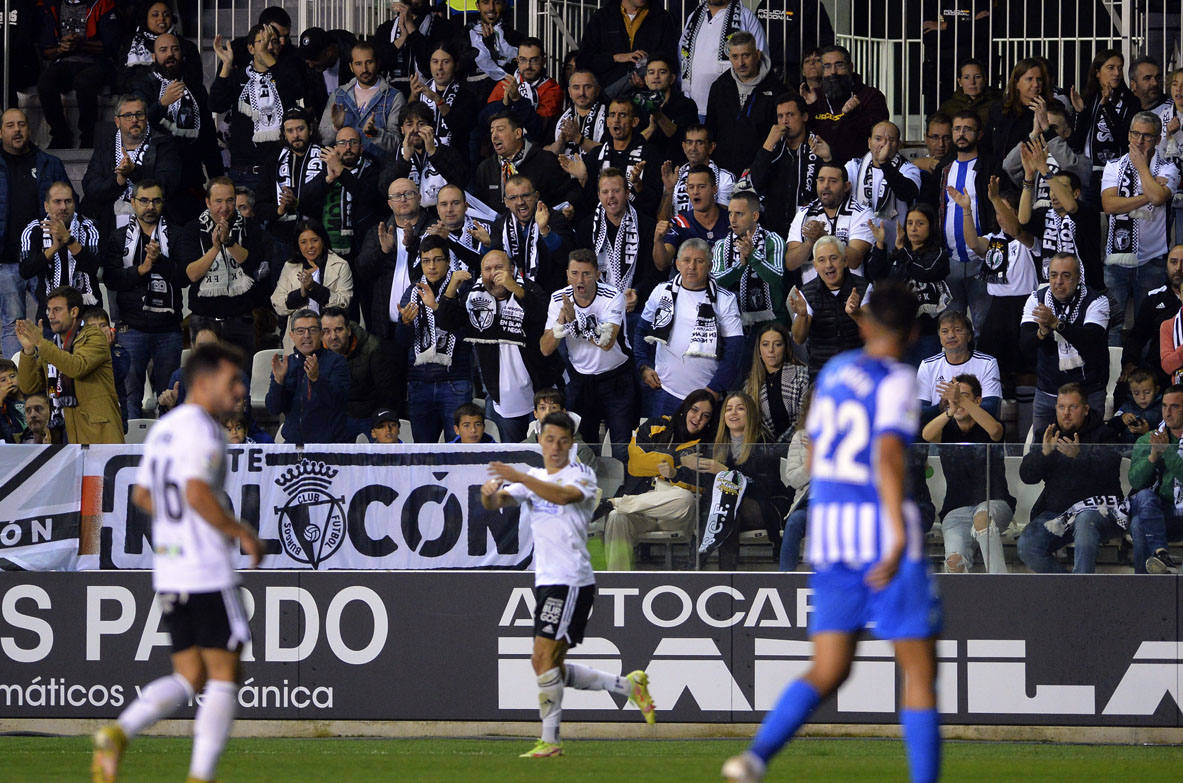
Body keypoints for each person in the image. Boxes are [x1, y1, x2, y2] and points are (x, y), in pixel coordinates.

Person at [722, 281, 941, 783]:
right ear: (912, 332)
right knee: (920, 673)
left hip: (833, 537)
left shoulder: (837, 372)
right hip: (881, 538)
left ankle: (754, 758)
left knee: (828, 669)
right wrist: (895, 535)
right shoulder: (898, 380)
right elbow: (887, 457)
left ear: (863, 325)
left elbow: (817, 452)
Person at [90, 343, 262, 783]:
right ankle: (201, 775)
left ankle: (118, 731)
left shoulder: (164, 430)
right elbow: (195, 493)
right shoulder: (203, 431)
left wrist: (176, 532)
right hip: (205, 569)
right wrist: (240, 532)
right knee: (226, 671)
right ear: (203, 383)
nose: (241, 389)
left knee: (190, 676)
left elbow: (143, 495)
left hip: (169, 571)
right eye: (232, 381)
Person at [482, 411, 656, 757]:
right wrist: (489, 493)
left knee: (542, 657)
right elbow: (496, 502)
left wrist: (519, 477)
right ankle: (627, 686)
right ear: (540, 441)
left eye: (563, 440)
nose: (556, 447)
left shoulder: (582, 475)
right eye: (549, 440)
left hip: (572, 580)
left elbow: (563, 498)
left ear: (571, 443)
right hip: (547, 580)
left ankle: (551, 741)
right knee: (548, 664)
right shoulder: (533, 476)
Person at [435, 250, 559, 443]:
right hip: (502, 396)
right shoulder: (474, 297)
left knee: (546, 449)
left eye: (499, 268)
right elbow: (445, 322)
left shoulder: (530, 289)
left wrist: (515, 288)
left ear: (512, 269)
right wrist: (451, 288)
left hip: (540, 391)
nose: (494, 274)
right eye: (488, 269)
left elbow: (540, 314)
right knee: (512, 455)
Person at [1017, 382, 1123, 574]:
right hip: (1058, 513)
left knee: (1085, 521)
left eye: (1072, 407)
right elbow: (1027, 476)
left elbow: (1110, 474)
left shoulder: (1105, 434)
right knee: (1027, 545)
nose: (1065, 413)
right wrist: (1044, 453)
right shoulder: (1047, 434)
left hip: (1098, 511)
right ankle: (1070, 588)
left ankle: (1079, 592)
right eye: (1061, 407)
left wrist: (1079, 457)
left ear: (1085, 409)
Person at [604, 389, 716, 570]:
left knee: (685, 499)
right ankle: (617, 581)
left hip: (674, 514)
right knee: (616, 517)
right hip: (642, 509)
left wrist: (671, 471)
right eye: (694, 410)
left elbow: (700, 484)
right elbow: (637, 463)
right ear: (685, 408)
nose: (697, 418)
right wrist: (679, 460)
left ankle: (613, 502)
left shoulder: (707, 443)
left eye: (705, 416)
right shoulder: (655, 425)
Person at [102, 179, 186, 419]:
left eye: (156, 201)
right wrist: (142, 269)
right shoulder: (119, 238)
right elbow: (111, 279)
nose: (150, 206)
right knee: (129, 395)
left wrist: (159, 261)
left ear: (163, 203)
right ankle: (129, 451)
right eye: (144, 201)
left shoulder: (176, 235)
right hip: (131, 328)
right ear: (133, 202)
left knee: (169, 396)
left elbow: (183, 278)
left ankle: (168, 450)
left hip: (168, 329)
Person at [541, 249, 635, 462]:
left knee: (621, 446)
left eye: (586, 274)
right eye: (574, 273)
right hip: (581, 380)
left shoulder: (613, 297)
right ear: (567, 274)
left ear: (598, 275)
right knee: (585, 447)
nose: (579, 280)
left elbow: (607, 342)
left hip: (616, 377)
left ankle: (623, 494)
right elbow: (545, 348)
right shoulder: (558, 299)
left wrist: (575, 322)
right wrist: (562, 322)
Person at [637, 238, 743, 417]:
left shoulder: (725, 300)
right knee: (660, 445)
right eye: (686, 260)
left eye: (699, 261)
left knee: (701, 446)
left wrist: (715, 389)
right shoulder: (661, 291)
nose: (692, 267)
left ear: (710, 266)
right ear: (677, 264)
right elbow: (641, 331)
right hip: (664, 391)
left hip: (705, 395)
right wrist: (643, 366)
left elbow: (735, 349)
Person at [123, 32, 223, 223]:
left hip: (191, 180)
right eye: (163, 50)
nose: (170, 54)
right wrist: (162, 104)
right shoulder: (143, 86)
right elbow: (135, 124)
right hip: (156, 180)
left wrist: (217, 178)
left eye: (175, 49)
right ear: (153, 56)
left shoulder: (196, 87)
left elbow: (208, 138)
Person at [1101, 111, 1180, 346]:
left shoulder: (1169, 168)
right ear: (1128, 135)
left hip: (1153, 261)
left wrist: (1141, 168)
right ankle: (1114, 378)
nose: (1139, 141)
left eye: (1146, 136)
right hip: (1115, 263)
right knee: (1112, 323)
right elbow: (1109, 205)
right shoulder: (1113, 166)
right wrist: (1149, 193)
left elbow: (1159, 199)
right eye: (1135, 134)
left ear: (1158, 140)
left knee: (1149, 325)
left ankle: (1145, 381)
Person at [921, 373, 1011, 574]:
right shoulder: (947, 429)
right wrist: (950, 410)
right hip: (956, 509)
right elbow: (926, 435)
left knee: (982, 519)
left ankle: (1002, 586)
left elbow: (995, 431)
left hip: (994, 501)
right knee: (954, 563)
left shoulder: (987, 423)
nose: (958, 401)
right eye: (954, 397)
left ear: (978, 400)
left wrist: (961, 400)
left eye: (964, 396)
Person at [1, 108, 71, 358]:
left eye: (21, 124)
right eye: (10, 125)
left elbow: (69, 204)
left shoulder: (50, 164)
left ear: (29, 129)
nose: (17, 130)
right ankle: (16, 383)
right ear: (1, 132)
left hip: (45, 260)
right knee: (13, 325)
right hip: (7, 261)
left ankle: (55, 378)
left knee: (55, 319)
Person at [177, 177, 270, 364]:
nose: (225, 207)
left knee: (241, 381)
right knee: (206, 380)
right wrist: (215, 248)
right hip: (204, 319)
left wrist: (229, 242)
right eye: (218, 201)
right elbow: (191, 274)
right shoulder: (193, 229)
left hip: (241, 317)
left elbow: (253, 266)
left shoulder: (249, 227)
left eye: (229, 200)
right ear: (207, 202)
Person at [14, 286, 122, 444]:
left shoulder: (94, 336)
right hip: (60, 431)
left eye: (57, 310)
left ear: (74, 312)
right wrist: (28, 350)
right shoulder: (52, 345)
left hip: (97, 434)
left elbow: (76, 367)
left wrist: (40, 342)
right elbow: (29, 387)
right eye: (49, 310)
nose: (51, 315)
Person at [698, 391, 791, 570]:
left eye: (740, 409)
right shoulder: (716, 446)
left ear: (750, 414)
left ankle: (703, 565)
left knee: (728, 510)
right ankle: (720, 572)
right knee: (724, 511)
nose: (733, 413)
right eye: (729, 409)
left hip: (760, 506)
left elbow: (766, 488)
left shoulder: (762, 442)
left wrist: (727, 473)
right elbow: (710, 490)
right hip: (726, 511)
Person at [395, 235, 474, 444]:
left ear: (448, 261)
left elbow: (465, 332)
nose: (431, 266)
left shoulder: (463, 288)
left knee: (458, 452)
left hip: (455, 379)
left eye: (437, 260)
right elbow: (401, 342)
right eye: (426, 261)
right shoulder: (412, 292)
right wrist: (405, 323)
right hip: (419, 381)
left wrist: (437, 307)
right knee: (423, 454)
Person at [209, 24, 307, 191]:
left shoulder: (286, 73)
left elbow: (297, 90)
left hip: (283, 170)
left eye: (273, 42)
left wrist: (265, 54)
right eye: (262, 41)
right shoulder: (238, 76)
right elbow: (216, 105)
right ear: (250, 48)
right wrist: (226, 65)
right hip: (245, 172)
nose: (269, 46)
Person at [1021, 252, 1110, 433]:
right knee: (1042, 452)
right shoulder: (1036, 299)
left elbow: (1091, 341)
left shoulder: (1097, 301)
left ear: (1078, 278)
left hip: (1087, 393)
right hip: (1047, 392)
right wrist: (1042, 332)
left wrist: (1056, 324)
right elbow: (1025, 345)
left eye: (1066, 276)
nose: (1058, 281)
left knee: (1088, 451)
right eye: (1053, 275)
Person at [864, 203, 951, 363]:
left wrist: (903, 251)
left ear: (931, 227)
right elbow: (877, 275)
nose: (913, 228)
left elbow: (925, 272)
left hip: (927, 333)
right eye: (910, 223)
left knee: (925, 383)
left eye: (920, 223)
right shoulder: (901, 253)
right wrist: (880, 244)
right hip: (899, 332)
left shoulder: (939, 254)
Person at [711, 191, 787, 360]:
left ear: (755, 215)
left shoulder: (773, 240)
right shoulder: (722, 245)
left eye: (739, 214)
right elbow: (715, 283)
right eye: (730, 213)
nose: (732, 219)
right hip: (735, 327)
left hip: (772, 325)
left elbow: (776, 277)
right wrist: (741, 265)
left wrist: (753, 255)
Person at [936, 110, 994, 334]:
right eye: (957, 129)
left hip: (983, 260)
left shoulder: (989, 166)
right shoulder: (944, 168)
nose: (961, 134)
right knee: (951, 326)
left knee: (983, 327)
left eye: (967, 129)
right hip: (949, 261)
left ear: (979, 134)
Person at [354, 177, 432, 339]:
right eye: (396, 196)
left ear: (419, 197)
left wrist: (413, 246)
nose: (402, 199)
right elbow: (362, 270)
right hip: (385, 326)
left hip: (426, 323)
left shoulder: (433, 229)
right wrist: (383, 251)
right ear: (389, 203)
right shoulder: (378, 232)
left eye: (408, 194)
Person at [36, 0, 120, 149]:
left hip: (96, 62)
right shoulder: (53, 5)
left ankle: (88, 136)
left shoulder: (102, 3)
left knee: (84, 82)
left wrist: (81, 43)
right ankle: (60, 135)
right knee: (45, 83)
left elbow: (111, 46)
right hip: (64, 62)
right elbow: (46, 51)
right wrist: (61, 48)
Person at [1017, 148, 1103, 291]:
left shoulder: (1088, 211)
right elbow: (1023, 220)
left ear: (1076, 193)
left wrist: (1044, 169)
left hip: (1087, 290)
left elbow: (1071, 207)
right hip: (1052, 290)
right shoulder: (1045, 214)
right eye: (1052, 188)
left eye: (1060, 187)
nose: (1054, 193)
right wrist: (1029, 175)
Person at [562, 98, 662, 220]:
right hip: (601, 224)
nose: (616, 120)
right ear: (608, 121)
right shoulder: (596, 155)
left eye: (623, 115)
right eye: (612, 115)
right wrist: (584, 179)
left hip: (638, 225)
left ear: (634, 121)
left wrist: (638, 185)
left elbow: (654, 202)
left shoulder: (650, 154)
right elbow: (589, 203)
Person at [789, 235, 872, 379]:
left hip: (860, 374)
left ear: (845, 261)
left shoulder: (864, 287)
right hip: (822, 375)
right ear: (815, 265)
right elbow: (798, 338)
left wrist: (856, 313)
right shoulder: (806, 293)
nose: (828, 265)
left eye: (834, 258)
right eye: (821, 260)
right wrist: (802, 316)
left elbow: (875, 331)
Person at [475, 173, 574, 293]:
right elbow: (490, 265)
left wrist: (545, 231)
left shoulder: (554, 218)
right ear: (506, 202)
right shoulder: (500, 225)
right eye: (513, 198)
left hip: (551, 293)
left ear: (536, 196)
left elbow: (566, 258)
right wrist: (487, 246)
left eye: (525, 195)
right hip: (513, 295)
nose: (520, 202)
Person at [703, 31, 782, 177]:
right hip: (722, 172)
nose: (741, 63)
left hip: (762, 173)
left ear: (757, 54)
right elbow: (711, 129)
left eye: (746, 55)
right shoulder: (719, 87)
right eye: (735, 56)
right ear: (729, 58)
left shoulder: (777, 89)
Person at [748, 94, 829, 235]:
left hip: (808, 228)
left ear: (804, 116)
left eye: (790, 115)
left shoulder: (817, 146)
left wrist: (828, 159)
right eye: (780, 116)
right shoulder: (772, 147)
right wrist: (768, 144)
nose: (785, 121)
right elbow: (757, 182)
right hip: (773, 230)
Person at [265, 308, 350, 444]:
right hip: (294, 446)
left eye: (312, 330)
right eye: (300, 331)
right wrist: (278, 382)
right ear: (291, 335)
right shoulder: (286, 364)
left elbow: (339, 402)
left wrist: (317, 380)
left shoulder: (337, 362)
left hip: (329, 446)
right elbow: (273, 408)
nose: (306, 335)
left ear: (321, 334)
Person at [19, 181, 102, 318]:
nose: (63, 207)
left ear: (74, 204)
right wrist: (54, 248)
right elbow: (25, 270)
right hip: (50, 313)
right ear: (46, 206)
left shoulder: (89, 228)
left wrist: (68, 240)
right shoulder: (34, 229)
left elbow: (93, 267)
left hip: (87, 312)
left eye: (68, 201)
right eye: (57, 201)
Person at [470, 112, 579, 210]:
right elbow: (480, 206)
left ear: (518, 133)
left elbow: (567, 193)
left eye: (500, 129)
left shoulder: (545, 160)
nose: (494, 136)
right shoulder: (485, 168)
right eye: (492, 131)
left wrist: (568, 207)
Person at [1127, 384, 1183, 574]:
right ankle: (1159, 557)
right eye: (1164, 406)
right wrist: (1152, 457)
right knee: (1143, 499)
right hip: (1160, 512)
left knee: (1139, 522)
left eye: (1174, 407)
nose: (1167, 413)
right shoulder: (1148, 439)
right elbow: (1135, 481)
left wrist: (1168, 452)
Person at [677, 0, 767, 118]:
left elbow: (761, 62)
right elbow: (681, 57)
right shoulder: (694, 17)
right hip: (693, 109)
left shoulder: (745, 17)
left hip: (731, 111)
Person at [784, 163, 874, 282]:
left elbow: (855, 261)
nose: (826, 186)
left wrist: (823, 237)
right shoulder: (803, 214)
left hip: (851, 293)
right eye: (821, 180)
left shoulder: (862, 214)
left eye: (833, 181)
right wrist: (810, 242)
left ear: (846, 186)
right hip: (812, 295)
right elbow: (790, 263)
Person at [322, 305, 400, 441]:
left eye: (338, 330)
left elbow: (386, 394)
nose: (333, 336)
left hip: (369, 415)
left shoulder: (373, 348)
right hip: (336, 415)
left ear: (349, 330)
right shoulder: (318, 352)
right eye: (326, 331)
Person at [318, 40, 406, 161]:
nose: (364, 69)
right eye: (358, 64)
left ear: (378, 63)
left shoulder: (394, 97)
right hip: (345, 171)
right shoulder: (339, 95)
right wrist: (336, 127)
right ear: (351, 67)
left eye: (369, 62)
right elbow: (322, 140)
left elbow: (397, 145)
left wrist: (375, 133)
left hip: (379, 171)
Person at [805, 45, 889, 166]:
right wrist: (810, 108)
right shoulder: (815, 99)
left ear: (850, 67)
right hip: (823, 171)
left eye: (839, 65)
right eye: (827, 66)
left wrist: (853, 115)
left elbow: (875, 138)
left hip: (861, 168)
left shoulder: (870, 96)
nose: (833, 72)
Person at [576, 0, 677, 99]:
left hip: (646, 101)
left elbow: (670, 62)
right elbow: (584, 60)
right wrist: (614, 58)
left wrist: (647, 80)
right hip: (607, 100)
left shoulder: (663, 19)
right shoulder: (602, 17)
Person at [252, 108, 325, 246]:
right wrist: (279, 209)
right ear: (284, 134)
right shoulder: (273, 162)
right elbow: (259, 207)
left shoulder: (326, 156)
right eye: (290, 131)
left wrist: (299, 203)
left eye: (300, 129)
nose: (296, 135)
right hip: (281, 237)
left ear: (310, 130)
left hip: (317, 234)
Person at [845, 121, 921, 251]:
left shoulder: (908, 168)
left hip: (896, 247)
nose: (884, 144)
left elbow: (908, 193)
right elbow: (834, 188)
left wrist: (884, 163)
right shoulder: (855, 166)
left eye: (890, 140)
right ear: (869, 142)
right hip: (859, 244)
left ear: (898, 144)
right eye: (878, 139)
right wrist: (828, 159)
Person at [270, 219, 353, 338]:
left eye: (314, 240)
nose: (310, 246)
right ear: (297, 245)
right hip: (298, 340)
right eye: (303, 242)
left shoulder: (341, 265)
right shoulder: (290, 266)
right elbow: (278, 304)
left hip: (329, 337)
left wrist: (314, 288)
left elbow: (344, 303)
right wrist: (301, 293)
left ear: (323, 240)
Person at [915, 309, 1001, 422]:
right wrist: (943, 405)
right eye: (945, 331)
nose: (951, 336)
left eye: (957, 330)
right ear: (939, 337)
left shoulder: (988, 363)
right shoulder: (927, 365)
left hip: (975, 427)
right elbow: (919, 412)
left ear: (969, 336)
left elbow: (991, 407)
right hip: (939, 429)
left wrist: (958, 400)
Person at [379, 102, 467, 209]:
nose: (415, 130)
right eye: (409, 124)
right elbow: (385, 190)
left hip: (443, 215)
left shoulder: (446, 151)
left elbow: (461, 180)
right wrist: (405, 159)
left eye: (421, 124)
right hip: (408, 216)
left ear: (431, 127)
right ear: (402, 129)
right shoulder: (395, 156)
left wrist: (433, 153)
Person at [1069, 49, 1138, 175]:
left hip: (1117, 171)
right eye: (1110, 68)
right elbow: (1075, 143)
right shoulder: (1088, 98)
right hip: (1088, 170)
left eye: (1120, 68)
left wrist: (1107, 107)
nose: (1117, 73)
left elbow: (1125, 139)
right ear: (1097, 73)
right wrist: (1080, 113)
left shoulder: (1131, 101)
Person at [483, 37, 562, 143]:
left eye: (534, 60)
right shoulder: (506, 83)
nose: (528, 66)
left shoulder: (552, 89)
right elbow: (484, 120)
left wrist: (517, 100)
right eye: (523, 60)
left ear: (543, 61)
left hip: (537, 151)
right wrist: (504, 103)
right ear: (517, 60)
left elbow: (540, 131)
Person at [653, 165, 730, 271]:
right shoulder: (679, 223)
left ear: (714, 189)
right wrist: (658, 240)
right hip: (689, 285)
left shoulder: (731, 220)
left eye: (701, 186)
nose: (695, 192)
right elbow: (662, 264)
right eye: (691, 187)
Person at [743, 321, 808, 443]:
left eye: (777, 344)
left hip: (799, 445)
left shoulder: (802, 375)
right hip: (766, 451)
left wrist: (780, 445)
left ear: (785, 348)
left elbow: (804, 417)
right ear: (759, 349)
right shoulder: (750, 385)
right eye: (765, 344)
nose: (771, 350)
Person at [1127, 243, 1183, 382]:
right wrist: (1129, 363)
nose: (1178, 268)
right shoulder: (1154, 299)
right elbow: (1137, 336)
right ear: (1166, 265)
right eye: (1173, 262)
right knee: (1123, 390)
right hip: (1160, 372)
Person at [660, 123, 735, 220]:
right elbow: (662, 221)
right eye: (689, 142)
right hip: (678, 233)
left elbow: (723, 221)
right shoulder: (675, 176)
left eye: (700, 143)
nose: (693, 148)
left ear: (711, 147)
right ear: (684, 147)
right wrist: (669, 189)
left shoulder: (725, 178)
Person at [635, 55, 698, 161]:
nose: (656, 77)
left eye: (662, 72)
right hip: (645, 166)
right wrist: (650, 129)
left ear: (672, 78)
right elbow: (631, 143)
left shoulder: (687, 105)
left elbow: (684, 140)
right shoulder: (637, 105)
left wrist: (658, 115)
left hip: (677, 166)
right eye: (651, 72)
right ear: (646, 79)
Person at [522, 388, 598, 466]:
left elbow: (588, 477)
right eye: (542, 408)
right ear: (535, 414)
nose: (548, 413)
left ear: (563, 412)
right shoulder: (523, 448)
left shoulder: (580, 450)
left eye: (553, 407)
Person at [937, 59, 1000, 133]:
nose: (972, 82)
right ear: (960, 81)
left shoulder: (997, 104)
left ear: (984, 79)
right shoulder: (948, 107)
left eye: (977, 77)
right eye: (966, 77)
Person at [1107, 367, 1162, 443]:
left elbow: (1166, 435)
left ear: (1156, 390)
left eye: (1147, 392)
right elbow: (1110, 428)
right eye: (1136, 393)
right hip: (1125, 450)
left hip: (1151, 451)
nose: (1142, 397)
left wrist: (1148, 431)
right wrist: (1121, 419)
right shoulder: (1126, 407)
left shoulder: (1162, 409)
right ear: (1131, 392)